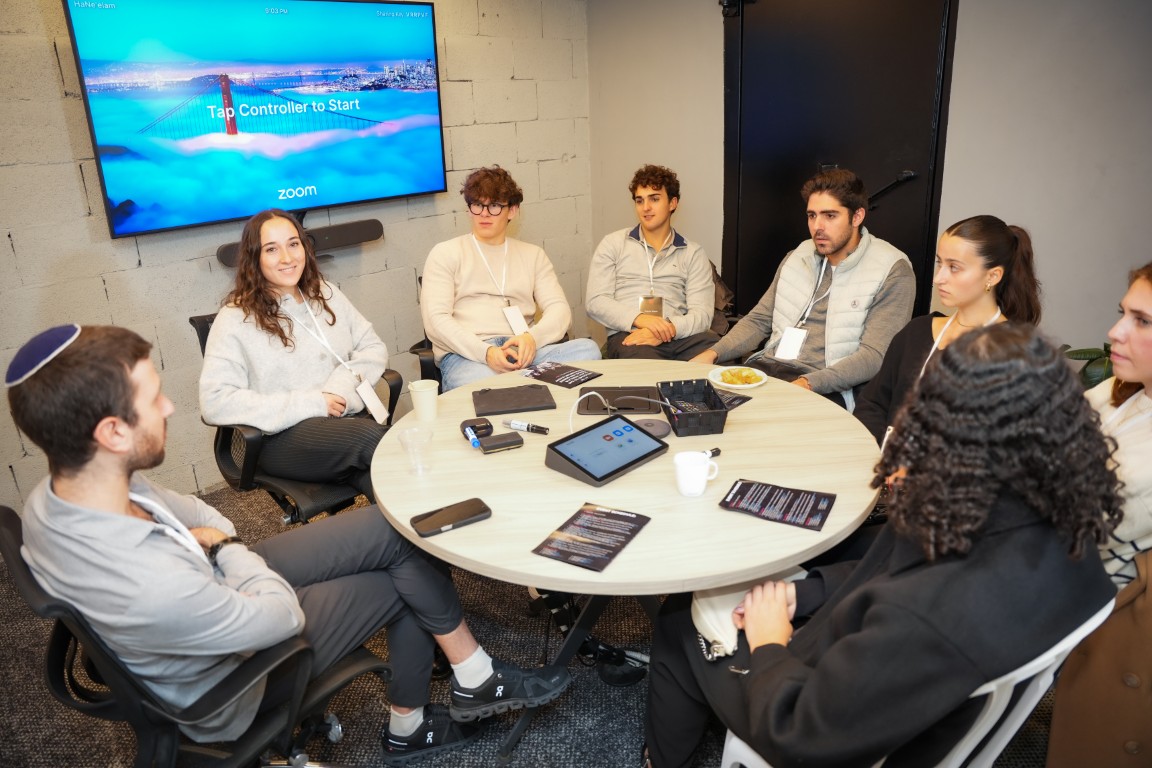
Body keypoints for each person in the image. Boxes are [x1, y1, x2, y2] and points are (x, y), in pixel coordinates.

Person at [7, 325, 571, 765]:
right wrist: (226, 553)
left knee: (392, 527)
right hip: (233, 678)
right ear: (111, 432)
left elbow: (201, 514)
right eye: (154, 400)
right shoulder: (151, 582)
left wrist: (219, 548)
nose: (170, 407)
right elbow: (278, 617)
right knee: (403, 576)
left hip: (211, 586)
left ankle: (472, 676)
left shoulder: (69, 487)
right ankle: (414, 725)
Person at [644, 323, 1121, 768]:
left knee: (679, 619)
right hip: (905, 695)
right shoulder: (1062, 544)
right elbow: (888, 571)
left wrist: (768, 642)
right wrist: (804, 592)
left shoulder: (928, 611)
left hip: (802, 711)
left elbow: (800, 732)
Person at [199, 208, 387, 502]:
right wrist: (312, 403)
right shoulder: (235, 317)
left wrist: (338, 390)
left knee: (384, 480)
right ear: (254, 258)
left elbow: (373, 347)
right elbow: (215, 401)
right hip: (281, 438)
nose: (287, 258)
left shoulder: (325, 292)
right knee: (380, 443)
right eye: (272, 249)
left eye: (293, 244)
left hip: (341, 426)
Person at [691, 169, 915, 409]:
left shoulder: (892, 269)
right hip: (768, 370)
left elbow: (874, 355)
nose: (817, 226)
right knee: (696, 405)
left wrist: (805, 384)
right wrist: (712, 354)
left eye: (830, 216)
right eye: (812, 215)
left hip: (826, 384)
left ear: (857, 216)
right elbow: (759, 320)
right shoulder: (797, 256)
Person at [854, 215, 1042, 445]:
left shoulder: (1015, 354)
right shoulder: (916, 332)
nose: (938, 278)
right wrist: (881, 453)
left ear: (992, 276)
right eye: (939, 263)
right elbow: (872, 404)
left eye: (954, 267)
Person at [420, 166, 600, 391]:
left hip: (526, 350)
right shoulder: (445, 253)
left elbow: (560, 310)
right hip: (469, 356)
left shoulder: (533, 255)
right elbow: (436, 321)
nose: (484, 214)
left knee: (588, 350)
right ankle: (529, 386)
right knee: (478, 382)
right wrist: (486, 352)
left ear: (512, 210)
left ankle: (518, 388)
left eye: (494, 206)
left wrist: (532, 339)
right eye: (477, 205)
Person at [586, 164, 720, 360]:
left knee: (721, 352)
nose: (646, 208)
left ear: (672, 203)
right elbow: (595, 302)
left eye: (654, 199)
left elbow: (702, 315)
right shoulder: (613, 244)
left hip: (680, 335)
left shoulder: (693, 253)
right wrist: (641, 319)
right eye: (639, 200)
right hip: (631, 334)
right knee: (649, 369)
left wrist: (667, 329)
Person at [1089, 261, 1152, 587]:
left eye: (1143, 321)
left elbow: (1064, 532)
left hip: (1082, 601)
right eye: (1123, 313)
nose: (1115, 332)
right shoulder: (1122, 386)